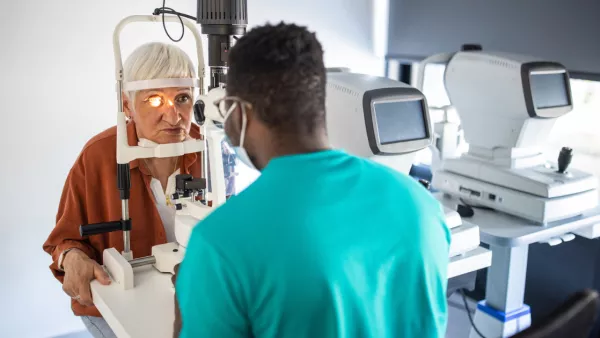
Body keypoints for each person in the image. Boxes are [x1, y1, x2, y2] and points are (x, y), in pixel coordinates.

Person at [174, 22, 451, 338]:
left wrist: (186, 300)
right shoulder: (421, 206)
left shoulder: (219, 243)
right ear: (318, 104)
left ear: (236, 114)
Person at [42, 41, 233, 338]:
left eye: (182, 98)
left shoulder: (209, 146)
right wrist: (72, 258)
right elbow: (63, 241)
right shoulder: (98, 156)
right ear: (127, 105)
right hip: (119, 300)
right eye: (155, 100)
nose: (173, 117)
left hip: (193, 290)